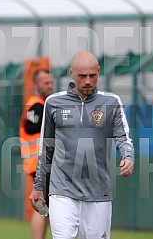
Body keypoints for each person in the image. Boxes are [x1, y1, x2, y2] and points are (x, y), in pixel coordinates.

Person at [29, 51, 134, 239]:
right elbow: (46, 148)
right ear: (71, 73)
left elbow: (123, 137)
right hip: (62, 190)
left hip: (98, 192)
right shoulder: (54, 103)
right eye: (82, 76)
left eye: (92, 76)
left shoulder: (111, 102)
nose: (87, 81)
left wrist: (127, 156)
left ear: (99, 72)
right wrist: (38, 186)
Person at [19, 68, 54, 239]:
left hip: (38, 164)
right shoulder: (37, 105)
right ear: (36, 84)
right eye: (45, 82)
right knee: (42, 206)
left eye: (51, 82)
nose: (50, 86)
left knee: (44, 208)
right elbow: (33, 129)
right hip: (39, 165)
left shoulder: (38, 104)